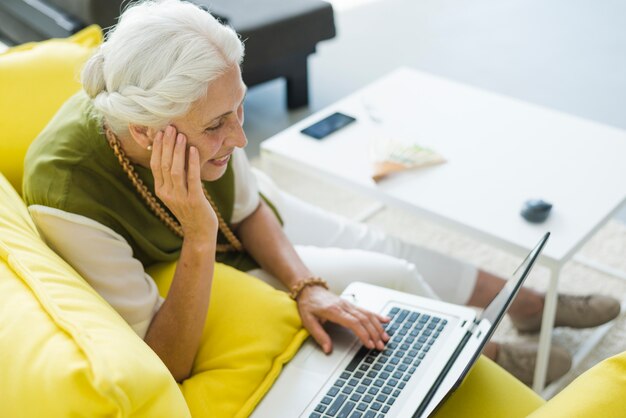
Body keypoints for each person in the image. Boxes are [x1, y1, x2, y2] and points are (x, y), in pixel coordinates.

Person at [22, 0, 619, 386]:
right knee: (395, 273)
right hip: (202, 258)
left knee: (375, 236)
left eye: (239, 109)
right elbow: (164, 364)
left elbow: (252, 209)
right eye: (217, 126)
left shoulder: (195, 119)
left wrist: (304, 282)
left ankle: (526, 303)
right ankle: (487, 360)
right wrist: (201, 233)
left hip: (240, 224)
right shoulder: (68, 196)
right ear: (148, 133)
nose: (241, 135)